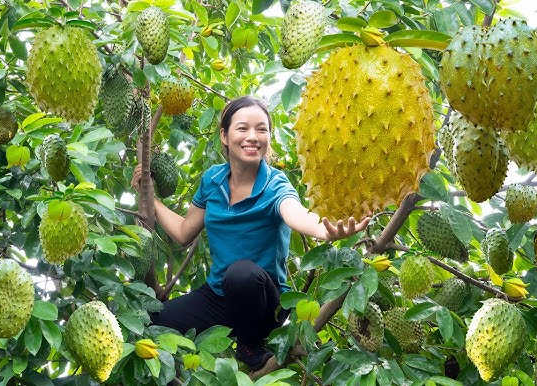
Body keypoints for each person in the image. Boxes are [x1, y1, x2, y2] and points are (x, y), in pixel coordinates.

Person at [131, 96, 371, 371]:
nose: (253, 137)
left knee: (241, 274)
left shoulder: (274, 183)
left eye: (262, 129)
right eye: (243, 128)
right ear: (224, 135)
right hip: (219, 296)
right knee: (150, 321)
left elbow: (296, 213)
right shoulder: (212, 180)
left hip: (263, 301)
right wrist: (151, 198)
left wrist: (325, 230)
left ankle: (251, 343)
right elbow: (184, 233)